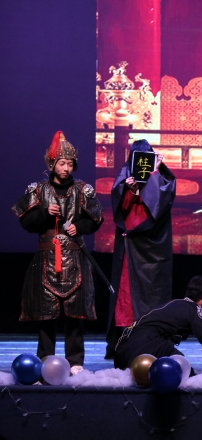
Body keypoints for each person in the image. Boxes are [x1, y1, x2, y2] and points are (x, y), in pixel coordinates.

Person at [11, 131, 104, 374]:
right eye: (62, 163)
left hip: (75, 257)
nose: (66, 168)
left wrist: (80, 227)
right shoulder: (38, 189)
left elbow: (96, 219)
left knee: (75, 314)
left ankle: (75, 362)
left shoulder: (83, 190)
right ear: (52, 164)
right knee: (46, 314)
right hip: (46, 259)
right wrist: (44, 213)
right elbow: (26, 222)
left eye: (70, 164)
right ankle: (45, 359)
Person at [105, 139, 176, 359]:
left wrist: (154, 173)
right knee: (126, 297)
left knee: (152, 298)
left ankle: (152, 342)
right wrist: (130, 190)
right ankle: (124, 344)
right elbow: (120, 208)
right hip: (131, 247)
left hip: (152, 252)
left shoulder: (163, 178)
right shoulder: (125, 176)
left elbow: (158, 206)